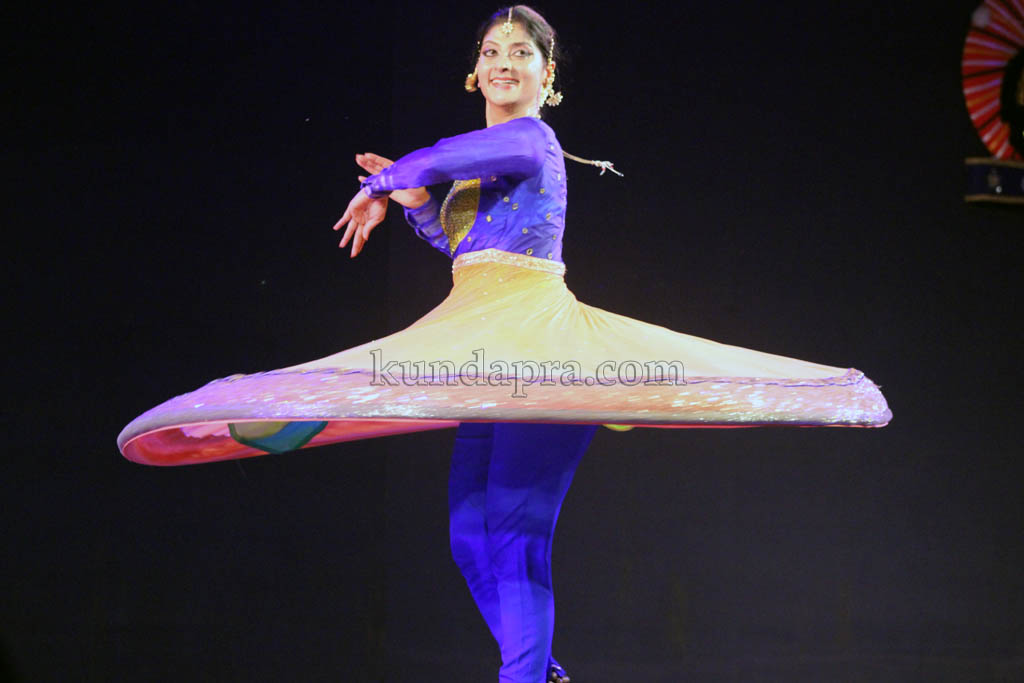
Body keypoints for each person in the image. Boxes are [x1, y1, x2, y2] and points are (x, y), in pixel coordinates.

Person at [117, 5, 890, 683]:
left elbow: (471, 162)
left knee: (516, 535)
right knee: (465, 537)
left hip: (542, 348)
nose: (504, 61)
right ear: (472, 73)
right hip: (480, 345)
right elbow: (470, 253)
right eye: (491, 51)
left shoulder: (535, 144)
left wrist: (396, 180)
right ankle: (541, 670)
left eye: (522, 52)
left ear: (548, 77)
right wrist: (418, 203)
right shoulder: (473, 171)